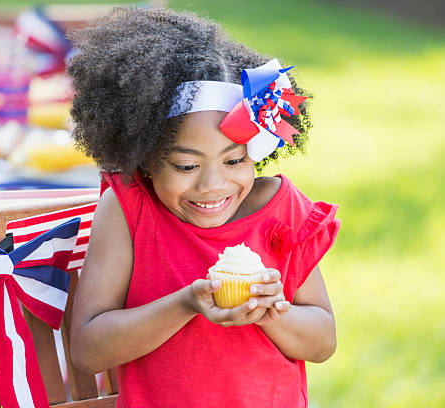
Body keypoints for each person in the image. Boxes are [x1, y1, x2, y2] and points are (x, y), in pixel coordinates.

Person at [67, 7, 340, 408]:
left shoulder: (283, 212)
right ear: (143, 155)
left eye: (234, 161)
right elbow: (89, 351)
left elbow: (323, 343)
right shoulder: (130, 210)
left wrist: (274, 312)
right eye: (186, 166)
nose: (213, 186)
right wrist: (186, 303)